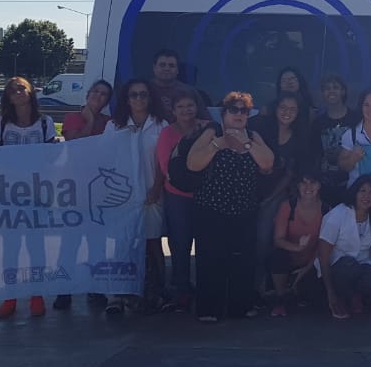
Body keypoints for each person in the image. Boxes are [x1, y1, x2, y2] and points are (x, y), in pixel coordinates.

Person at [186, 92, 275, 322]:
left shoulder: (253, 135)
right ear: (224, 113)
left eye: (243, 111)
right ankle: (209, 309)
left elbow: (267, 162)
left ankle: (240, 307)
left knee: (243, 260)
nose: (238, 114)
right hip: (211, 209)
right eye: (233, 110)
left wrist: (246, 144)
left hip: (244, 210)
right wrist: (218, 144)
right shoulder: (213, 131)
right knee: (210, 259)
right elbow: (193, 163)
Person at [0, 77, 59, 319]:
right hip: (8, 194)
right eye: (12, 91)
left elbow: (52, 159)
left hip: (37, 193)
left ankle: (36, 295)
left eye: (21, 88)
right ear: (8, 98)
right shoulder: (1, 123)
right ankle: (10, 296)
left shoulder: (45, 123)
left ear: (31, 92)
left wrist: (55, 150)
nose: (18, 93)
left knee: (35, 246)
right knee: (10, 247)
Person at [103, 78, 169, 315]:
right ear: (126, 99)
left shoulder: (161, 125)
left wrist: (156, 188)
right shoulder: (114, 126)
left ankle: (156, 292)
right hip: (123, 197)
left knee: (152, 244)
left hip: (152, 194)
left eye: (143, 94)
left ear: (150, 98)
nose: (139, 99)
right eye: (134, 95)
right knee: (122, 245)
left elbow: (163, 162)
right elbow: (106, 160)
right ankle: (117, 295)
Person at [253, 92, 318, 297]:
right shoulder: (261, 128)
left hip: (276, 194)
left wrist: (270, 198)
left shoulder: (299, 139)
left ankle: (260, 285)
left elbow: (290, 174)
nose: (287, 112)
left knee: (264, 238)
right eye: (283, 107)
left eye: (292, 109)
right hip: (249, 190)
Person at [154, 89, 207, 313]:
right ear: (173, 110)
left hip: (206, 196)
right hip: (177, 196)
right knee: (180, 244)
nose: (186, 110)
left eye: (190, 105)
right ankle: (181, 290)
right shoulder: (167, 133)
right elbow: (166, 167)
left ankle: (206, 289)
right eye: (181, 106)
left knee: (206, 245)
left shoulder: (208, 128)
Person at [318, 174, 371, 320]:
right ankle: (340, 298)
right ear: (355, 193)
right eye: (362, 191)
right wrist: (330, 293)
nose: (366, 196)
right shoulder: (338, 214)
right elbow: (323, 255)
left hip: (362, 265)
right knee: (349, 266)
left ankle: (357, 297)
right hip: (337, 268)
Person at [267, 171, 327, 317]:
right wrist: (297, 247)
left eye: (312, 183)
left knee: (315, 298)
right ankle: (280, 298)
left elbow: (325, 247)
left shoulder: (327, 210)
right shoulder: (288, 206)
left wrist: (305, 270)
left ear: (319, 185)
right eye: (303, 183)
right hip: (289, 259)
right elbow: (278, 240)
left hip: (313, 263)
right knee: (277, 256)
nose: (308, 187)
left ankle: (297, 288)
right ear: (297, 186)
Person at [310, 73, 358, 206]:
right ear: (323, 93)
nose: (331, 91)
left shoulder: (356, 119)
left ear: (343, 91)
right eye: (327, 88)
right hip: (326, 185)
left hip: (352, 183)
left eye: (335, 87)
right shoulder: (318, 123)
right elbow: (315, 155)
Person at [149, 48, 202, 122]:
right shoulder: (145, 89)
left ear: (177, 70)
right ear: (154, 68)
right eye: (162, 65)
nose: (167, 68)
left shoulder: (190, 91)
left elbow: (208, 121)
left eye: (171, 65)